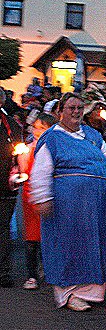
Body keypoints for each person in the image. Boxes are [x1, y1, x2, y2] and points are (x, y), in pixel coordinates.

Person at [29, 92, 106, 311]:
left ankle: (90, 292)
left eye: (80, 108)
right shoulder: (52, 138)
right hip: (67, 206)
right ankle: (69, 294)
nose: (76, 112)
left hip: (96, 205)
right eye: (71, 108)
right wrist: (42, 197)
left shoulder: (92, 135)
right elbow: (41, 171)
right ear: (60, 110)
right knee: (68, 245)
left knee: (95, 245)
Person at [16, 112, 56, 290]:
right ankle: (32, 275)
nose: (37, 131)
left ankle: (48, 269)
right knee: (31, 238)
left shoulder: (55, 147)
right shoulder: (27, 147)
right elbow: (20, 168)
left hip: (51, 196)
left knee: (49, 236)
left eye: (42, 128)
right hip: (30, 196)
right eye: (35, 127)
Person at [0, 89, 22, 287]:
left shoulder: (12, 126)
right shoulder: (12, 126)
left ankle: (4, 273)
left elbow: (19, 154)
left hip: (5, 187)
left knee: (3, 229)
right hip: (6, 185)